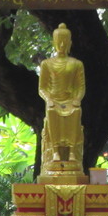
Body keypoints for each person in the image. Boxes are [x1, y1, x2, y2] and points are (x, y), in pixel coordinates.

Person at [38, 23, 85, 167]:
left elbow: (80, 87)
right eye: (59, 41)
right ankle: (55, 151)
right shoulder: (47, 64)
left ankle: (72, 151)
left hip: (70, 101)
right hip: (54, 101)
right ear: (54, 42)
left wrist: (77, 99)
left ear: (70, 43)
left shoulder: (76, 64)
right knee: (51, 112)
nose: (62, 45)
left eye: (65, 41)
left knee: (76, 112)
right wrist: (48, 99)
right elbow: (42, 88)